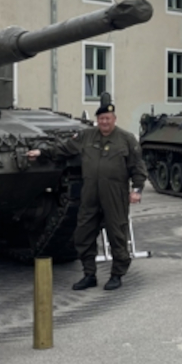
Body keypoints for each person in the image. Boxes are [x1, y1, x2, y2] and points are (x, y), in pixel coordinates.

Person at [26, 96, 147, 291]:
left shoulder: (126, 139)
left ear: (114, 119)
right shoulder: (87, 136)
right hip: (90, 193)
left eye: (108, 118)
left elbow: (137, 166)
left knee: (117, 234)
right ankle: (89, 274)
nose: (104, 122)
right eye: (101, 119)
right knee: (83, 234)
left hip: (114, 195)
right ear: (97, 120)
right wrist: (42, 153)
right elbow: (64, 149)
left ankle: (117, 274)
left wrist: (137, 189)